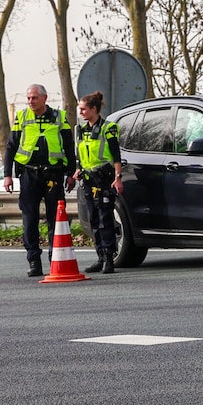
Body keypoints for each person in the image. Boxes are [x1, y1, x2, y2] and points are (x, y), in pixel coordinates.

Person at [3, 84, 76, 277]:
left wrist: (71, 173)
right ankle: (34, 260)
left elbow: (69, 146)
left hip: (54, 175)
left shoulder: (59, 117)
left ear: (45, 98)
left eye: (34, 98)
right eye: (28, 98)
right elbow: (11, 147)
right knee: (30, 219)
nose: (30, 101)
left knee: (56, 219)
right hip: (29, 174)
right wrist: (7, 175)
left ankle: (56, 259)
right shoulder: (22, 117)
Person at [72, 91, 124, 274]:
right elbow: (79, 156)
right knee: (94, 220)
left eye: (84, 109)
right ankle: (100, 256)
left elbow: (116, 155)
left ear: (94, 109)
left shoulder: (107, 128)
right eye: (80, 109)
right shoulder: (80, 130)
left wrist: (118, 178)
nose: (81, 113)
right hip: (88, 180)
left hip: (104, 180)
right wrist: (77, 171)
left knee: (105, 220)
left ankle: (109, 257)